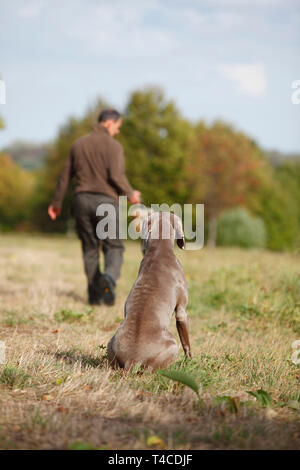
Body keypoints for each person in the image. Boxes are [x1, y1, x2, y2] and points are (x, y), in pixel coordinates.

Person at [48, 109, 141, 306]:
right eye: (117, 127)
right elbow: (116, 176)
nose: (117, 131)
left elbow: (65, 177)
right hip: (105, 202)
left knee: (89, 248)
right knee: (113, 246)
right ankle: (108, 278)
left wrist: (56, 203)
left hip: (81, 201)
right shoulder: (114, 147)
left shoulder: (78, 144)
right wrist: (131, 194)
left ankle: (94, 296)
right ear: (109, 124)